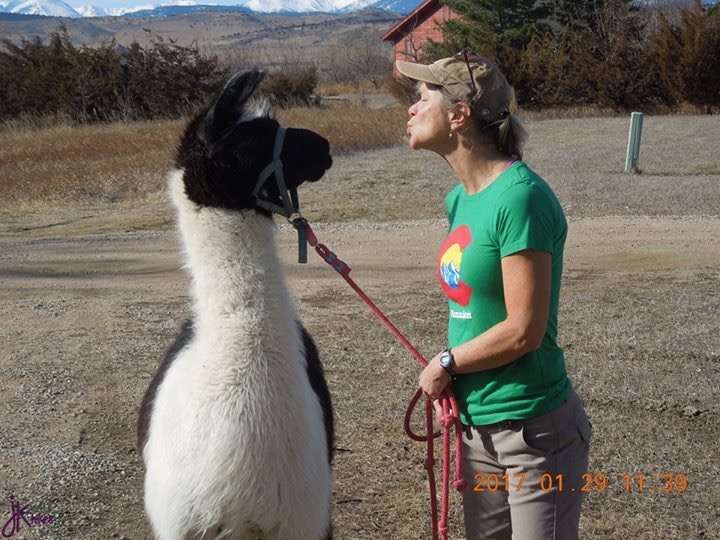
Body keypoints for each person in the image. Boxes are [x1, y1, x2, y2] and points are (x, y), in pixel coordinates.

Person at [397, 51, 592, 540]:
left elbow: (523, 330)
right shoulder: (458, 199)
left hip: (533, 433)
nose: (411, 109)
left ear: (459, 115)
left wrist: (446, 362)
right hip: (475, 427)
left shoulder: (520, 198)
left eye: (423, 98)